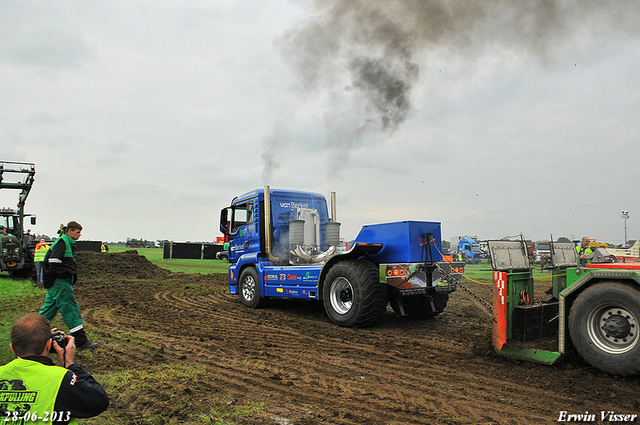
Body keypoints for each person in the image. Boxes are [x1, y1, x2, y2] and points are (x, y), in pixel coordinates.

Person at [0, 313, 109, 423]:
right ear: (49, 345)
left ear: (12, 348)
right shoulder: (61, 379)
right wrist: (70, 364)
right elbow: (99, 401)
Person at [39, 221, 99, 350]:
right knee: (71, 310)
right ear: (70, 231)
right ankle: (81, 342)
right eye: (78, 232)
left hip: (56, 283)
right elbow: (54, 262)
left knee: (47, 311)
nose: (80, 235)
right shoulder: (63, 242)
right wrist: (64, 274)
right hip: (60, 283)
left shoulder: (66, 243)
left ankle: (31, 336)